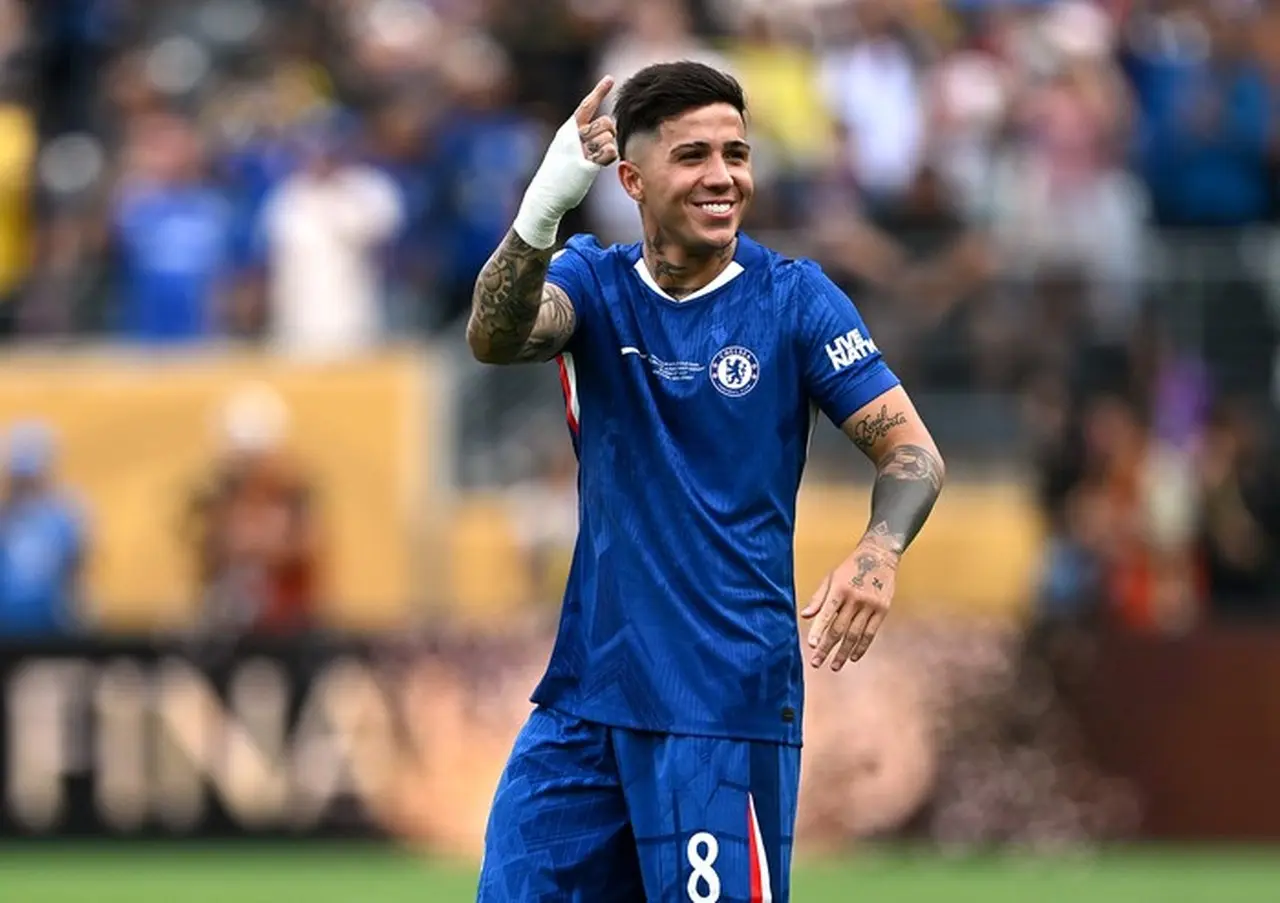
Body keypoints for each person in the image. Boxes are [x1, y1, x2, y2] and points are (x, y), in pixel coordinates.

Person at [467, 61, 944, 901]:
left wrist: (878, 552)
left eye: (737, 154)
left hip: (723, 706)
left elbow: (912, 452)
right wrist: (543, 206)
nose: (723, 176)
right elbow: (495, 337)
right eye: (693, 156)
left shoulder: (796, 300)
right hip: (584, 703)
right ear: (631, 180)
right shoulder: (591, 283)